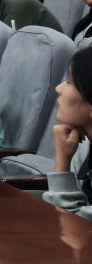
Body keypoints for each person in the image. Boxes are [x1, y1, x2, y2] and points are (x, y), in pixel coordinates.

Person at [43, 48, 92, 220]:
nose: (58, 88)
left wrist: (62, 161)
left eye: (69, 82)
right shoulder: (85, 147)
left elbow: (74, 228)